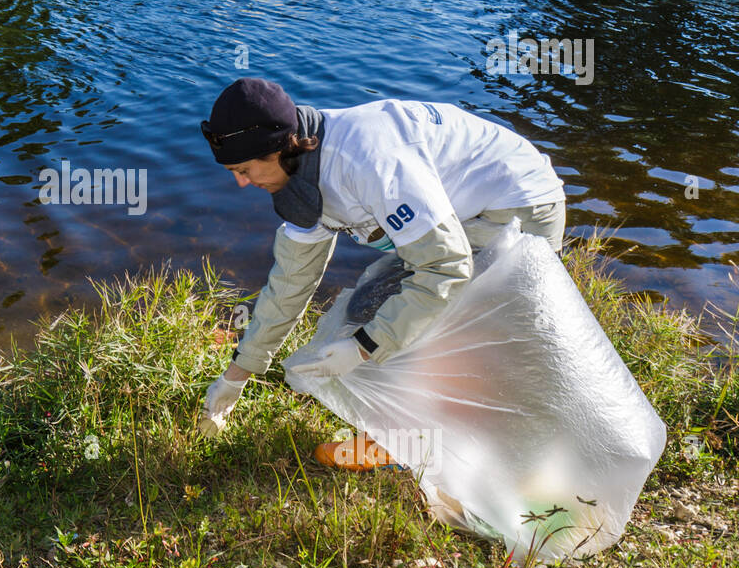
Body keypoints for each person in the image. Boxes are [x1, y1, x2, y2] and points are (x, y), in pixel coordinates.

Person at [196, 77, 567, 470]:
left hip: (515, 212)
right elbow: (290, 282)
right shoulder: (299, 173)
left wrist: (364, 347)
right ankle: (411, 426)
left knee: (448, 332)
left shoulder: (368, 162)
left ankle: (410, 443)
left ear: (277, 148)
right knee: (369, 308)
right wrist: (238, 373)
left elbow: (446, 269)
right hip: (464, 220)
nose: (240, 183)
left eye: (243, 169)